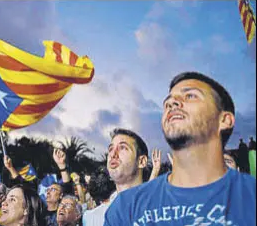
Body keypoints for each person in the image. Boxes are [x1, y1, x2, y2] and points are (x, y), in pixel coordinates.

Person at [104, 71, 256, 225]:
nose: (172, 103)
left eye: (190, 96)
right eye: (167, 103)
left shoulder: (250, 197)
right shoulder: (125, 209)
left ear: (224, 119)